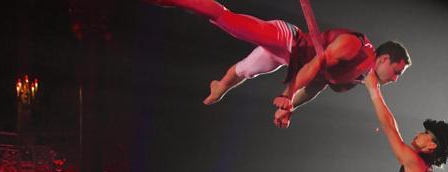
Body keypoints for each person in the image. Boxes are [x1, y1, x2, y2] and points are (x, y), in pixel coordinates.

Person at [144, 0, 410, 127]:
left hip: (286, 60)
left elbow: (315, 86)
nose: (395, 80)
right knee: (227, 20)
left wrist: (290, 106)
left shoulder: (355, 78)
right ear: (384, 59)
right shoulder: (354, 47)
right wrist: (287, 94)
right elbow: (313, 67)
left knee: (244, 71)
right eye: (396, 71)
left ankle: (220, 86)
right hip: (289, 41)